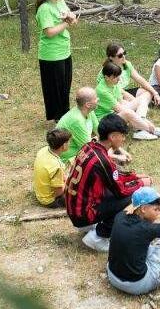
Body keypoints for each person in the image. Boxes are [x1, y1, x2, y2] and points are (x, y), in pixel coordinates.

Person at [66, 114, 151, 252]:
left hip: (74, 210)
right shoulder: (102, 160)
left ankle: (90, 226)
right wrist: (141, 183)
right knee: (137, 196)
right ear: (112, 137)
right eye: (122, 135)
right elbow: (120, 190)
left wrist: (134, 176)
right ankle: (98, 236)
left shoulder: (89, 146)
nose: (123, 139)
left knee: (122, 190)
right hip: (83, 215)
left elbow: (113, 177)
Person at [107, 187, 160, 295]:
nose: (158, 213)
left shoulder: (121, 216)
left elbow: (133, 204)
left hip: (113, 275)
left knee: (141, 245)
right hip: (137, 284)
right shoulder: (146, 229)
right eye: (156, 210)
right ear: (144, 209)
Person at [35, 0, 78, 122]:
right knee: (55, 88)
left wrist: (71, 18)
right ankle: (59, 117)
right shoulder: (44, 9)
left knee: (65, 85)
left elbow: (72, 19)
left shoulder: (60, 2)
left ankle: (64, 114)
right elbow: (49, 32)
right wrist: (67, 22)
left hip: (65, 50)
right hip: (51, 54)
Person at [96, 61, 160, 141]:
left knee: (143, 98)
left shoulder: (113, 84)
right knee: (128, 113)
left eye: (119, 76)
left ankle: (139, 130)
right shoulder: (102, 91)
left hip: (113, 113)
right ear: (106, 77)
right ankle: (153, 130)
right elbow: (121, 109)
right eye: (115, 77)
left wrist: (136, 108)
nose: (119, 79)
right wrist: (147, 122)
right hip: (105, 121)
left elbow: (121, 101)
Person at [54, 87, 99, 162]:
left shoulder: (89, 111)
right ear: (88, 104)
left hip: (80, 151)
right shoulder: (77, 120)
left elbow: (99, 131)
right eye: (95, 99)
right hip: (68, 160)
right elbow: (89, 149)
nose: (98, 99)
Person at [33, 128, 70, 208]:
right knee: (79, 195)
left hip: (39, 193)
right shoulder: (56, 166)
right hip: (49, 200)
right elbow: (59, 193)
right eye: (68, 142)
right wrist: (70, 185)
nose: (69, 143)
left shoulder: (43, 150)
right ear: (63, 145)